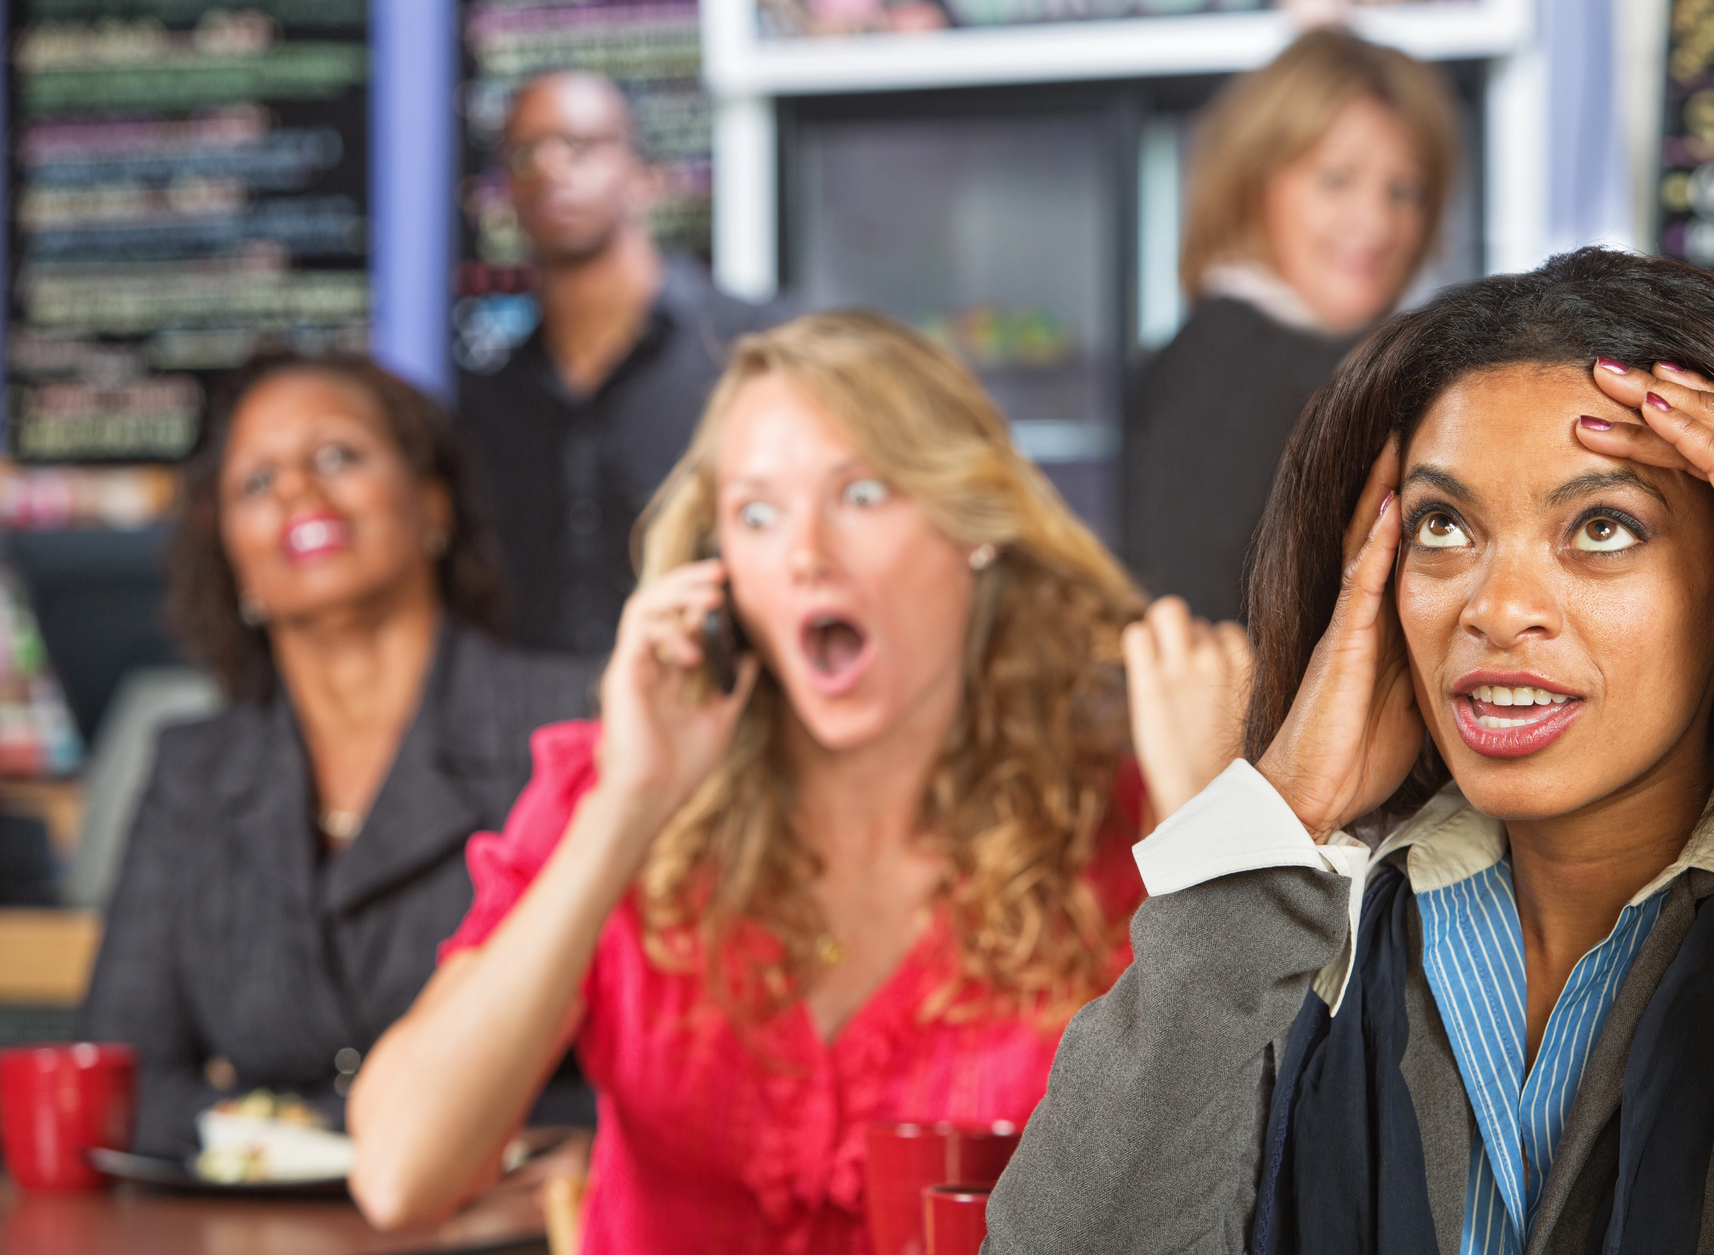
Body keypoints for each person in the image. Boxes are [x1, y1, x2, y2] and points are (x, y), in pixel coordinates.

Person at [986, 249, 1714, 1254]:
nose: (1497, 608)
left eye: (1601, 527)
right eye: (1442, 525)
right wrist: (1284, 805)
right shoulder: (1297, 950)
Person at [346, 311, 1249, 1251]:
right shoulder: (608, 793)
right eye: (758, 514)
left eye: (861, 494)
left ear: (970, 526)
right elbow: (404, 1169)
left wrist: (1214, 836)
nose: (806, 555)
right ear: (720, 569)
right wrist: (628, 804)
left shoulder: (1133, 823)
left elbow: (1242, 1195)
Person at [81, 355, 600, 1157]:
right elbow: (125, 1079)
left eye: (337, 456)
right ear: (233, 558)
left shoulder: (575, 724)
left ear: (433, 504)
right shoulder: (194, 769)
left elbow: (662, 1066)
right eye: (257, 482)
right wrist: (305, 1140)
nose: (297, 490)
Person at [1125, 28, 1459, 622]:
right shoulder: (1216, 371)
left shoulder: (1359, 359)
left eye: (1403, 191)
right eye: (1336, 180)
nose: (1375, 222)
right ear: (1253, 187)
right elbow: (1198, 632)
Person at [456, 70, 781, 656]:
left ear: (646, 177)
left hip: (725, 716)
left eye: (580, 146)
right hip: (541, 735)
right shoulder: (489, 397)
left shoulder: (756, 352)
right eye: (525, 153)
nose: (550, 168)